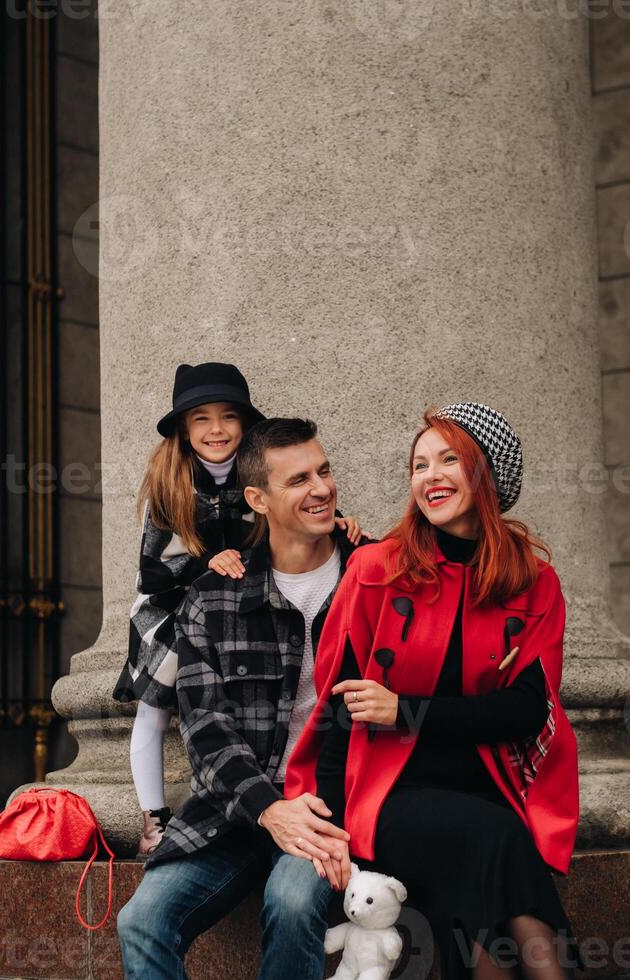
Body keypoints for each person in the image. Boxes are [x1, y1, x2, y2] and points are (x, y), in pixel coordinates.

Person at [285, 402, 583, 980]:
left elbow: (525, 711)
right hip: (388, 789)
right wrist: (339, 829)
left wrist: (405, 710)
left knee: (486, 858)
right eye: (419, 464)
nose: (430, 476)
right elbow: (338, 712)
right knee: (495, 839)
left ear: (487, 475)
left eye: (449, 459)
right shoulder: (376, 568)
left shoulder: (532, 580)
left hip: (487, 782)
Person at [117, 418, 369, 979]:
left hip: (327, 810)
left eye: (324, 471)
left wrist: (301, 812)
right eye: (299, 479)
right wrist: (268, 808)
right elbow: (206, 730)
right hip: (230, 815)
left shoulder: (370, 578)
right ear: (257, 498)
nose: (322, 488)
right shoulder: (215, 597)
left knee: (296, 900)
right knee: (141, 920)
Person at [112, 364, 362, 856]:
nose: (217, 430)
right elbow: (154, 570)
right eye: (201, 419)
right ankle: (152, 816)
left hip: (238, 600)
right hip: (175, 598)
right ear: (185, 429)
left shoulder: (260, 474)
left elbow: (293, 527)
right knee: (155, 702)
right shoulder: (170, 483)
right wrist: (208, 560)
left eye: (228, 416)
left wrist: (339, 525)